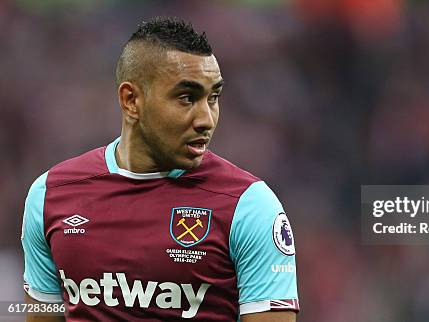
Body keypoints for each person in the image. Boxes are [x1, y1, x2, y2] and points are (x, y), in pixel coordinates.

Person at [21, 17, 299, 322]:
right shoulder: (49, 195)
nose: (206, 118)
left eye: (213, 97)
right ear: (131, 100)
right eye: (186, 98)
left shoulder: (250, 207)